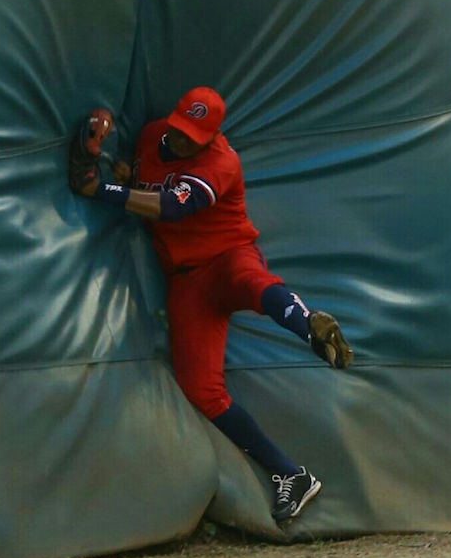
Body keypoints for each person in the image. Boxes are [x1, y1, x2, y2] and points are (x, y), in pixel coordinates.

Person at [69, 87, 353, 523]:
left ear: (212, 137)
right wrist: (122, 177)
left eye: (195, 137)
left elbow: (169, 207)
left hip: (228, 256)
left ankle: (309, 325)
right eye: (182, 130)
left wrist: (99, 189)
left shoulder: (221, 162)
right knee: (202, 390)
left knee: (254, 284)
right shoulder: (153, 136)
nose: (185, 140)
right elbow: (149, 184)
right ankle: (289, 474)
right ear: (174, 118)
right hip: (187, 281)